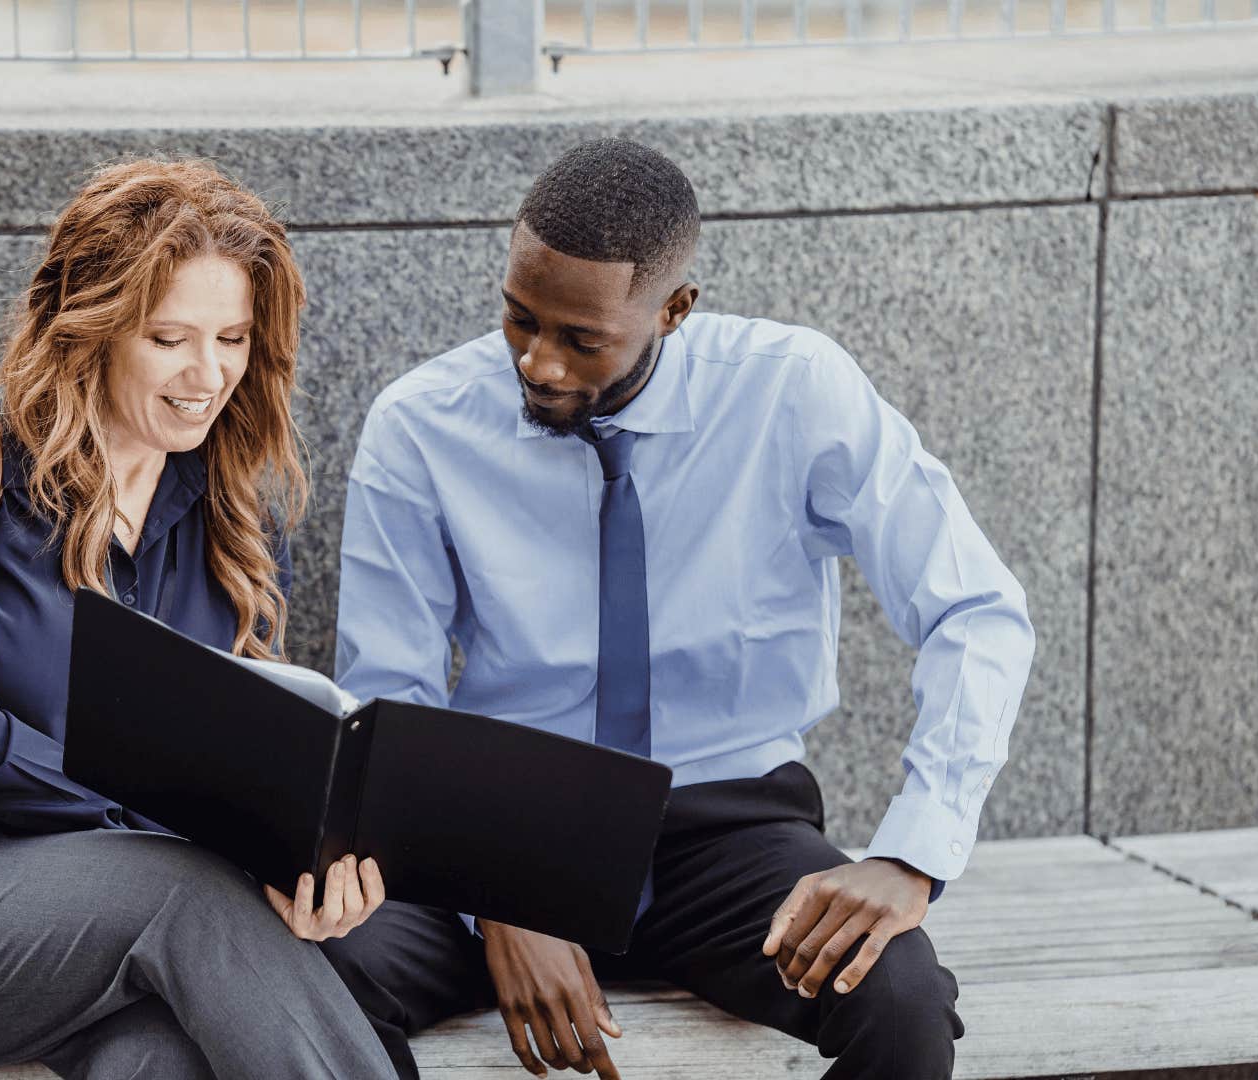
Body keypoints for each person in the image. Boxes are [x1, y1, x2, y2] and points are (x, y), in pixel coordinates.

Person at [321, 137, 1036, 1080]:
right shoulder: (421, 425)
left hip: (729, 836)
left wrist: (912, 855)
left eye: (583, 338)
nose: (539, 363)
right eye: (518, 319)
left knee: (899, 999)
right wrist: (491, 895)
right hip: (504, 828)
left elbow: (977, 607)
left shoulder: (793, 390)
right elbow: (388, 705)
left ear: (673, 310)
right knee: (314, 975)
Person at [0, 158, 397, 1080]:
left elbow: (225, 761)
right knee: (184, 890)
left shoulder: (222, 510)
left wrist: (303, 864)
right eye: (169, 337)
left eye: (233, 337)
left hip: (108, 939)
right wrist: (135, 822)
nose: (209, 374)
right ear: (94, 327)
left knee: (160, 1063)